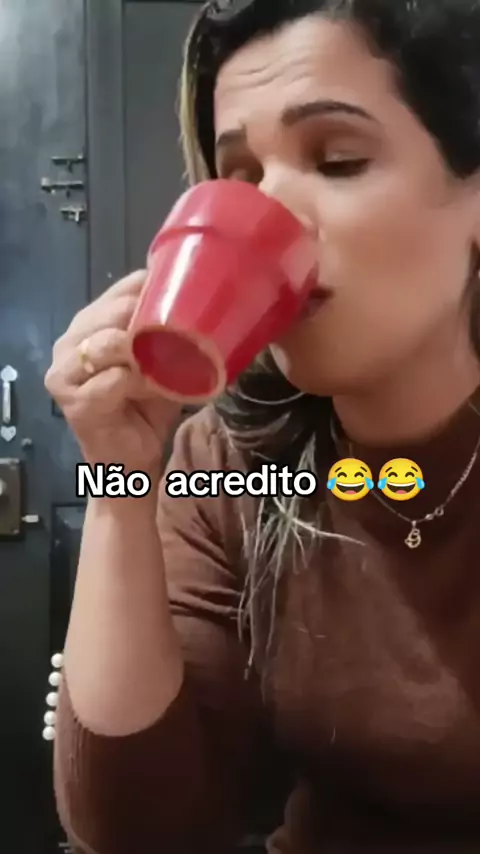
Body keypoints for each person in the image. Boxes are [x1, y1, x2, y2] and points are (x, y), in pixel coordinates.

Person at [45, 0, 480, 852]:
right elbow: (137, 831)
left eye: (338, 160)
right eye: (238, 177)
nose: (270, 212)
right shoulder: (230, 458)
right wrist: (119, 482)